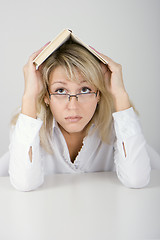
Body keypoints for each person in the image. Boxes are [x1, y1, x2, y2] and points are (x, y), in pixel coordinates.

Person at [0, 41, 152, 191]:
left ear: (98, 94)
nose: (73, 106)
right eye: (60, 90)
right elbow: (24, 184)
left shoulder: (119, 121)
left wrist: (120, 94)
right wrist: (29, 96)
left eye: (85, 89)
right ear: (45, 96)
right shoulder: (28, 120)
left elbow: (137, 180)